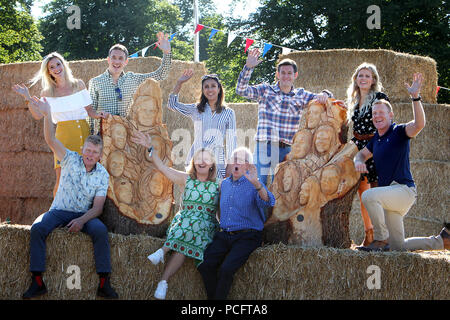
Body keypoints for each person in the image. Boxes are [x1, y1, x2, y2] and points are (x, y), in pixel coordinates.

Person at [22, 96, 117, 299]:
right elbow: (50, 140)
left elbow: (98, 208)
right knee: (38, 228)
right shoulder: (69, 158)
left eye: (95, 152)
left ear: (100, 155)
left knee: (100, 231)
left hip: (84, 213)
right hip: (58, 211)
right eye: (88, 150)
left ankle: (103, 283)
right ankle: (37, 282)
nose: (90, 155)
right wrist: (48, 115)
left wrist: (82, 220)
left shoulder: (102, 174)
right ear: (82, 149)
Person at [354, 73, 449, 252]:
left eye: (381, 113)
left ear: (390, 115)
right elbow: (361, 155)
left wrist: (415, 97)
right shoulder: (376, 140)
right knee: (398, 247)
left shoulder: (398, 132)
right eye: (374, 114)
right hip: (391, 197)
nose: (377, 116)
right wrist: (357, 161)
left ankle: (380, 239)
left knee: (368, 195)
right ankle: (441, 241)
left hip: (403, 190)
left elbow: (419, 124)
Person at [131, 130, 220, 300]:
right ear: (194, 163)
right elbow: (163, 168)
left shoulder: (218, 185)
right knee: (184, 240)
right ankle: (162, 283)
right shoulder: (187, 179)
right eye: (199, 159)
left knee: (191, 229)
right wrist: (150, 147)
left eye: (206, 159)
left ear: (211, 165)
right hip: (184, 223)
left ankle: (162, 253)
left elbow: (223, 210)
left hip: (204, 226)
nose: (202, 162)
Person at [12, 52, 107, 197]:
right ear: (48, 72)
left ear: (63, 64)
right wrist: (27, 97)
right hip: (64, 137)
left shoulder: (79, 84)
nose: (56, 68)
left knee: (86, 176)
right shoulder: (47, 92)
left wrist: (100, 114)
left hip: (84, 133)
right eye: (52, 67)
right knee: (61, 176)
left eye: (58, 64)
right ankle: (56, 212)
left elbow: (89, 111)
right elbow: (38, 115)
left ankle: (82, 214)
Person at [236, 48, 333, 186]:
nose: (286, 76)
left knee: (281, 187)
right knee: (257, 184)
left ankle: (274, 208)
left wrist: (326, 93)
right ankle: (257, 208)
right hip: (264, 145)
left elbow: (325, 99)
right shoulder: (265, 90)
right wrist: (248, 68)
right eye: (283, 73)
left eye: (289, 73)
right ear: (277, 74)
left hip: (286, 148)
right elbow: (241, 90)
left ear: (295, 75)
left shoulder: (301, 95)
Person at [197, 147, 276, 300]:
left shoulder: (254, 184)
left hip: (248, 236)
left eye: (241, 160)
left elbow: (269, 202)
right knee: (204, 265)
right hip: (225, 235)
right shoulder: (224, 184)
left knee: (226, 269)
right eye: (233, 160)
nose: (236, 163)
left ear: (248, 165)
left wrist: (257, 184)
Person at [89, 32, 172, 134]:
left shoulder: (133, 79)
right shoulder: (95, 82)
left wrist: (167, 53)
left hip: (127, 134)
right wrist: (91, 136)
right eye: (114, 58)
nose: (117, 62)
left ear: (126, 61)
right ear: (108, 60)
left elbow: (160, 75)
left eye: (120, 58)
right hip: (103, 134)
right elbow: (91, 112)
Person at [346, 62, 389, 246]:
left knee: (376, 193)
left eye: (367, 76)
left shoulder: (379, 97)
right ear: (356, 79)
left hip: (375, 146)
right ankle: (368, 233)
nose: (363, 79)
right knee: (363, 194)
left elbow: (386, 123)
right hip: (358, 147)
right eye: (360, 75)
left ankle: (382, 236)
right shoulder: (354, 100)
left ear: (373, 80)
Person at [167, 69, 237, 178]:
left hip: (218, 161)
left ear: (219, 89)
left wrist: (230, 166)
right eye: (206, 87)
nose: (210, 89)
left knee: (215, 192)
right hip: (197, 158)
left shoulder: (229, 113)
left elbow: (231, 141)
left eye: (213, 86)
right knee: (195, 192)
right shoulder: (196, 109)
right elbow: (172, 105)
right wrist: (179, 83)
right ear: (203, 91)